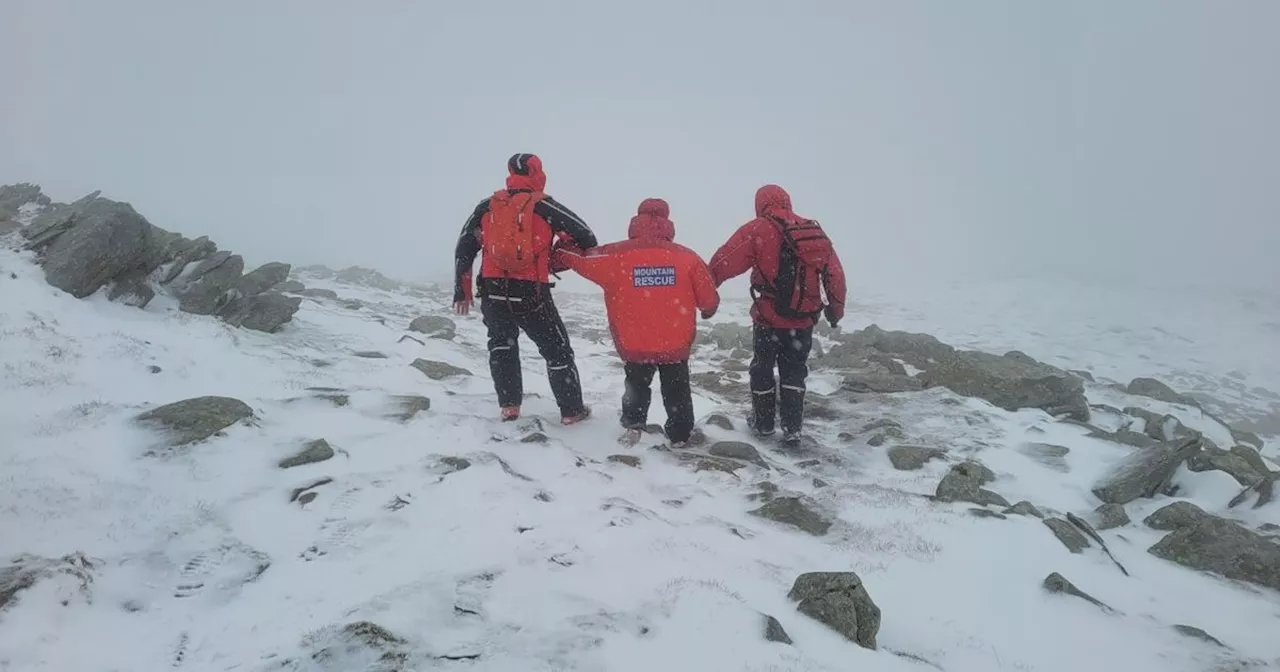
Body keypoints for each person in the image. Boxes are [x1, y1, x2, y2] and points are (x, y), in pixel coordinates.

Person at [553, 198, 720, 446]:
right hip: (674, 344)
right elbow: (709, 299)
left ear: (636, 222)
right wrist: (707, 311)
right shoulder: (687, 258)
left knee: (636, 385)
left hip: (635, 343)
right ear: (668, 223)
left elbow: (583, 260)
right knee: (677, 391)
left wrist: (563, 250)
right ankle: (680, 435)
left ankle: (633, 425)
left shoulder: (616, 255)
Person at [453, 153, 598, 424]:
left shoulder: (487, 206)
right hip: (531, 291)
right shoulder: (544, 206)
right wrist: (557, 258)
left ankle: (509, 407)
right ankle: (571, 412)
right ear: (537, 174)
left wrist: (461, 290)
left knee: (501, 345)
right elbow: (586, 236)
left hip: (492, 289)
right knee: (557, 351)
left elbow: (465, 246)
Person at [708, 184, 846, 445]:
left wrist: (704, 287)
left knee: (762, 369)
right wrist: (835, 311)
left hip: (768, 318)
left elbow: (725, 261)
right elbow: (835, 276)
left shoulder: (758, 229)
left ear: (760, 204)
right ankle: (792, 426)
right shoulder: (812, 230)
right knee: (794, 371)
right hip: (803, 319)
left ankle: (763, 424)